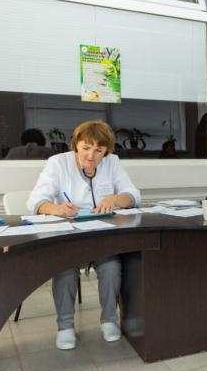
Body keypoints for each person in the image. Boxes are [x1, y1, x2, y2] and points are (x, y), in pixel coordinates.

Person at [26, 120, 141, 350]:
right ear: (76, 144)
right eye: (86, 148)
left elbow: (133, 195)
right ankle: (65, 326)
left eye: (99, 150)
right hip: (69, 236)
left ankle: (108, 320)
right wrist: (56, 208)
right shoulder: (58, 162)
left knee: (111, 266)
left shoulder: (112, 162)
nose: (91, 156)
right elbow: (35, 201)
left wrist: (115, 199)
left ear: (106, 150)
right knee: (65, 270)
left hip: (103, 235)